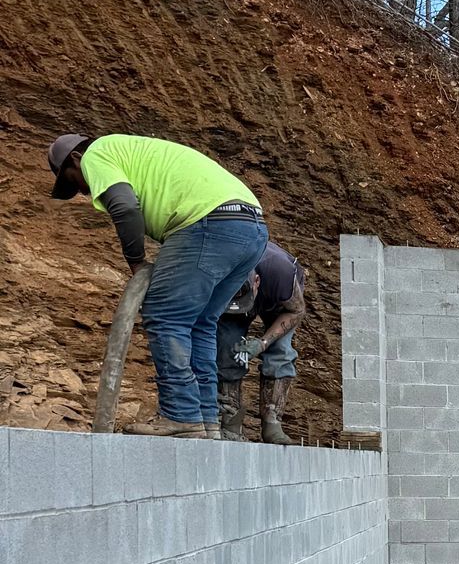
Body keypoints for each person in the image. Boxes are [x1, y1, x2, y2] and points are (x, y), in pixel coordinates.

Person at [49, 130, 269, 437]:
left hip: (210, 222)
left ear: (76, 158)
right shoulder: (133, 150)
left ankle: (181, 415)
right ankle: (206, 421)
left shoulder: (95, 155)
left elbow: (124, 207)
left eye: (73, 182)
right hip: (252, 227)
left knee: (166, 316)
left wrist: (136, 261)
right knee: (201, 323)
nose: (84, 193)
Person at [216, 240, 306, 443]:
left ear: (257, 281)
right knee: (228, 347)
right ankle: (230, 418)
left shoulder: (279, 273)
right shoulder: (219, 267)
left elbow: (297, 311)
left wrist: (263, 343)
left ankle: (272, 422)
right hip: (230, 301)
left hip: (280, 303)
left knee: (280, 351)